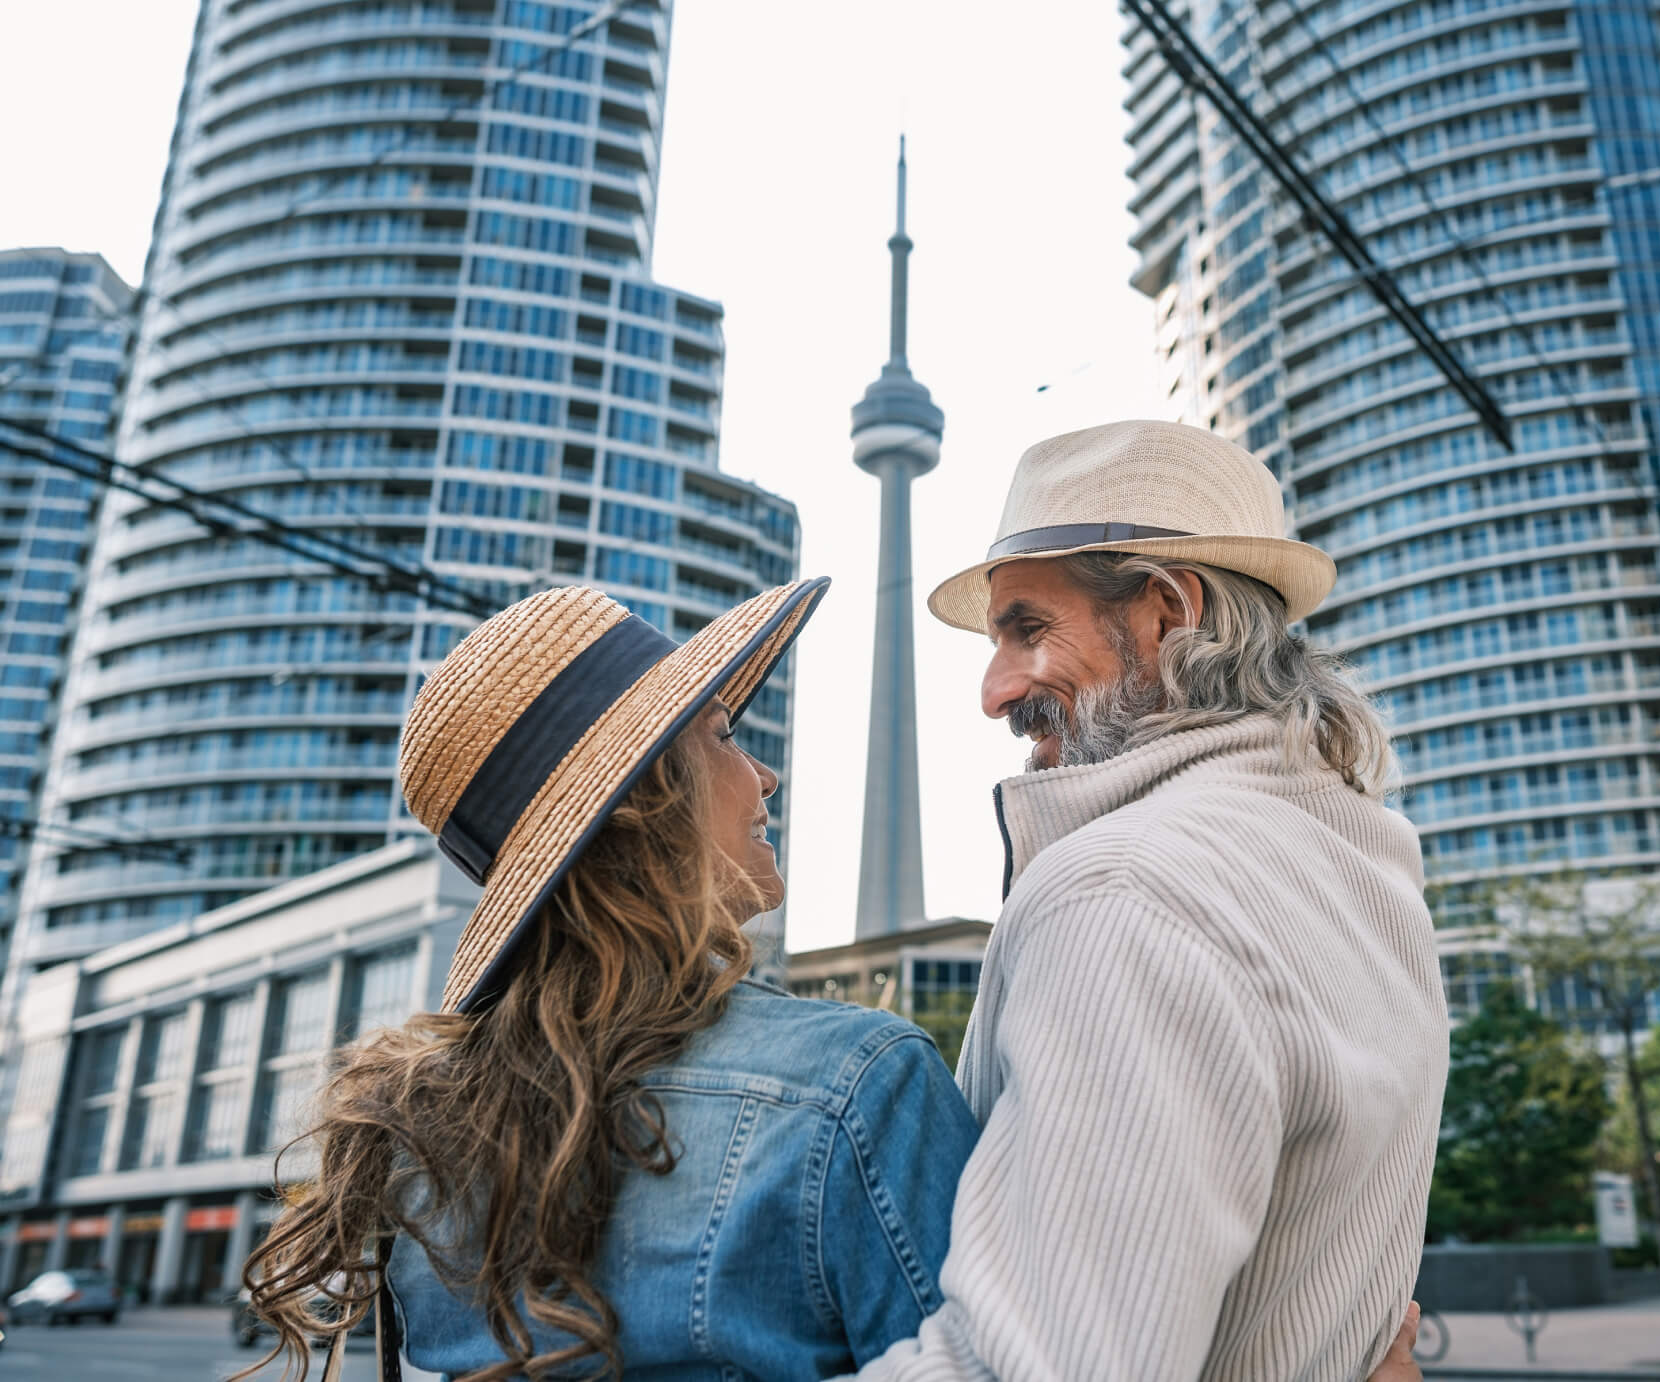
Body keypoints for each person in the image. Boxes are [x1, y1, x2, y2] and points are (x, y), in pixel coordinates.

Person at [237, 578, 1428, 1382]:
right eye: (720, 737)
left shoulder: (415, 1140)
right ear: (646, 806)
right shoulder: (852, 1091)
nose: (762, 777)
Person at [840, 420, 1449, 1379]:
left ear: (1166, 613)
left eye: (1026, 628)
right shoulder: (1368, 870)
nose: (994, 693)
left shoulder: (1127, 888)